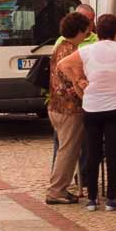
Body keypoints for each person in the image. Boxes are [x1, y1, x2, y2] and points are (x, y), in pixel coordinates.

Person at [58, 13, 116, 212]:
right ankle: (112, 199)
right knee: (113, 152)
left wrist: (78, 81)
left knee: (93, 152)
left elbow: (63, 65)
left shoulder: (86, 50)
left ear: (96, 30)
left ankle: (92, 199)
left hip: (91, 106)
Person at [45, 12, 90, 205]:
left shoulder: (61, 46)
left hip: (55, 105)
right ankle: (56, 191)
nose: (88, 33)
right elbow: (74, 81)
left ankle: (59, 189)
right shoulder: (71, 52)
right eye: (86, 30)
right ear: (79, 31)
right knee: (68, 150)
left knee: (66, 148)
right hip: (68, 108)